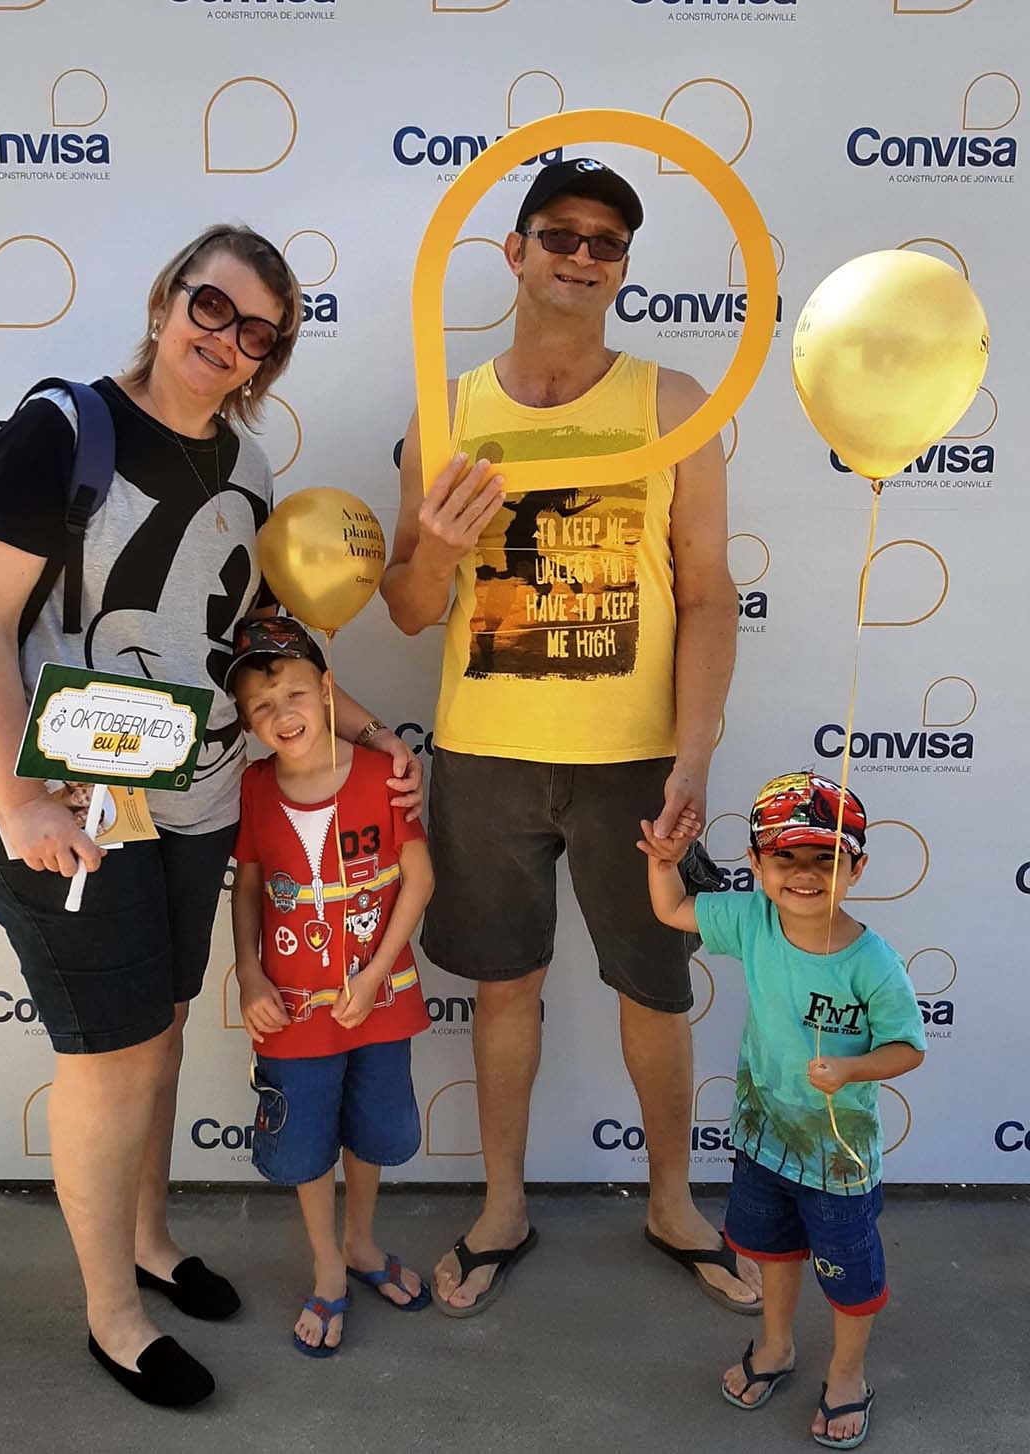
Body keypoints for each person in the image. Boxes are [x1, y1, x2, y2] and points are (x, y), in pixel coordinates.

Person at [0, 224, 422, 1407]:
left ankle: (150, 1241)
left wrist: (364, 727)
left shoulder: (248, 465)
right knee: (108, 1056)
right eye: (213, 307)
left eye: (258, 331)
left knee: (156, 1032)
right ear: (167, 300)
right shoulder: (64, 429)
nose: (228, 340)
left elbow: (254, 629)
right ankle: (112, 1313)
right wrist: (21, 798)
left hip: (195, 795)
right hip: (70, 803)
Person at [381, 159, 757, 1315]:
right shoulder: (447, 410)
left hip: (634, 760)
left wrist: (693, 755)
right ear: (515, 250)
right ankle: (502, 1204)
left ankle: (673, 1202)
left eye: (607, 241)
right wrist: (443, 551)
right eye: (560, 234)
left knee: (655, 984)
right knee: (504, 986)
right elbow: (406, 604)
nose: (583, 256)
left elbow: (708, 592)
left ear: (624, 265)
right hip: (488, 754)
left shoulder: (673, 402)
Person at [638, 772, 925, 1449]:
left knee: (850, 1279)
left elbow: (908, 1048)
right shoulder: (752, 919)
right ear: (757, 863)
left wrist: (852, 1069)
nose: (803, 874)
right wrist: (664, 862)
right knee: (773, 1252)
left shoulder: (875, 964)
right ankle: (775, 1347)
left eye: (825, 858)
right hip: (763, 1142)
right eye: (784, 856)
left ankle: (848, 1374)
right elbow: (672, 910)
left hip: (838, 1162)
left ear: (857, 867)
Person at [227, 618, 434, 1357]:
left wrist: (375, 974)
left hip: (380, 1002)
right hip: (291, 1014)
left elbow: (419, 879)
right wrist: (249, 970)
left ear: (326, 689)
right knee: (305, 1143)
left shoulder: (382, 776)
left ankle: (362, 1243)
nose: (282, 715)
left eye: (293, 694)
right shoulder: (256, 787)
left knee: (373, 1131)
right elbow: (247, 886)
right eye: (261, 707)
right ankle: (327, 1266)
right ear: (247, 724)